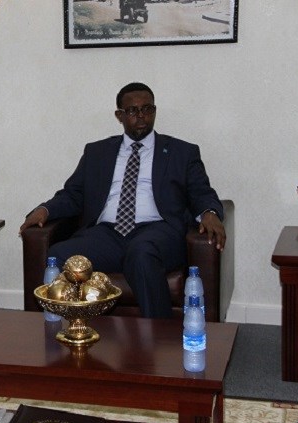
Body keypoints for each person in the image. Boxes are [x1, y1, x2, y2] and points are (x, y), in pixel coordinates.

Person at [19, 82, 226, 318]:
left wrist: (210, 212)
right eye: (132, 111)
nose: (141, 116)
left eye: (147, 109)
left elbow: (201, 191)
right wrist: (45, 210)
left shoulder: (182, 152)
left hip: (157, 231)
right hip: (108, 234)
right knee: (58, 256)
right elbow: (73, 193)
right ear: (119, 116)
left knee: (141, 254)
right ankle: (61, 331)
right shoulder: (97, 152)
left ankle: (160, 333)